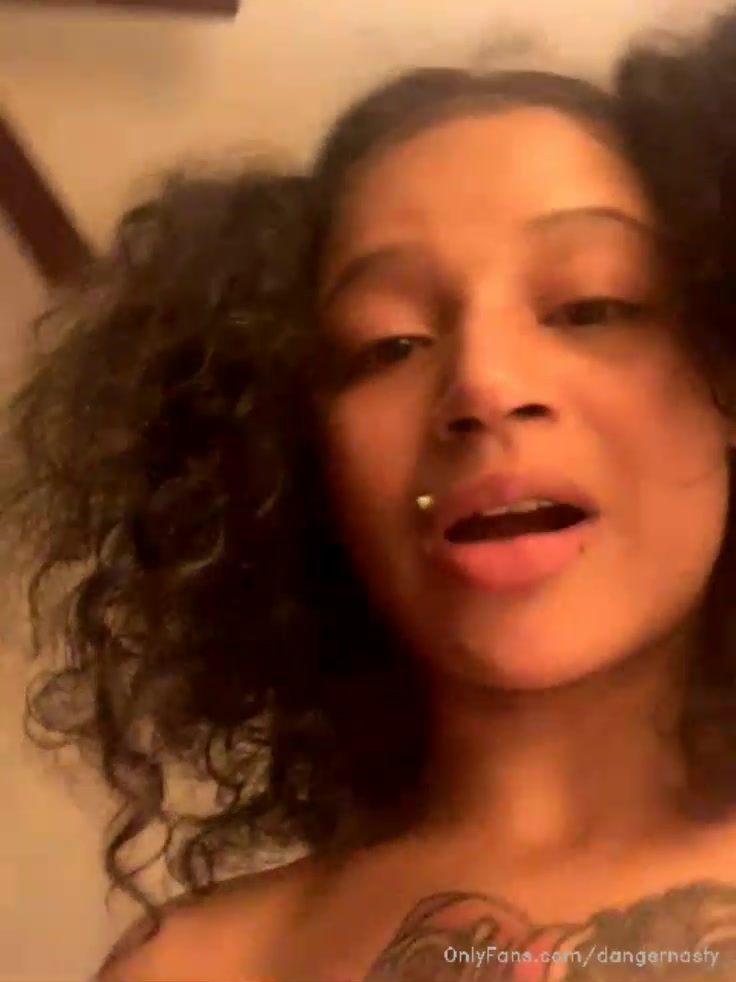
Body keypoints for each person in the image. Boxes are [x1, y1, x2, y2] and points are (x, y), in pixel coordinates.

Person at [7, 7, 736, 981]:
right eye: (386, 345)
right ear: (294, 462)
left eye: (591, 305)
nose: (482, 383)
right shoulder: (199, 966)